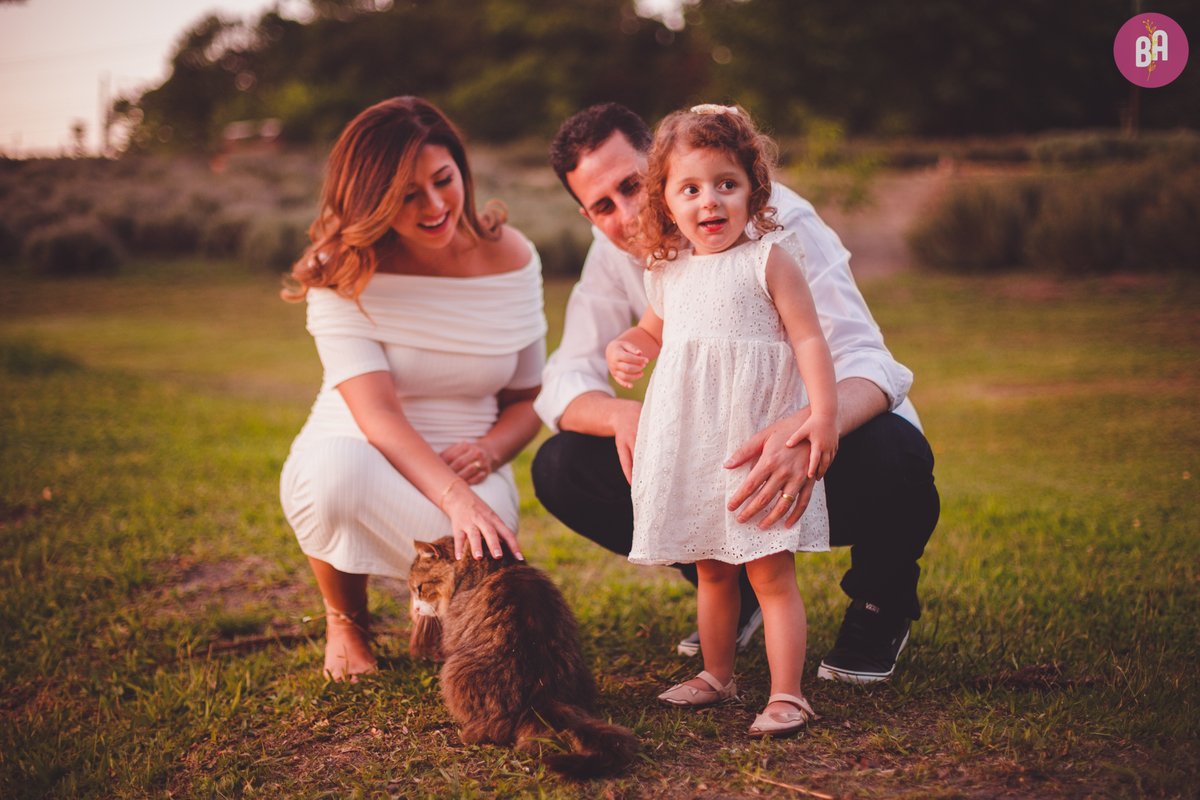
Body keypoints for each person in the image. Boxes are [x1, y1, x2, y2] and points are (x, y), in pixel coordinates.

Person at [532, 102, 939, 685]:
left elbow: (867, 360)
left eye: (630, 185)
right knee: (563, 462)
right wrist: (624, 415)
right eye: (603, 205)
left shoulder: (774, 228)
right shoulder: (634, 258)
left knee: (895, 450)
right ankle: (725, 584)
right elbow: (565, 376)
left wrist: (807, 428)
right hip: (715, 457)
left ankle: (879, 607)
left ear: (658, 166)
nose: (625, 214)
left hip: (824, 452)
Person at [279, 97, 546, 681]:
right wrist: (454, 499)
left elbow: (527, 400)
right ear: (371, 201)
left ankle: (431, 615)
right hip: (360, 443)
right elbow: (375, 414)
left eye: (442, 180)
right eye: (405, 194)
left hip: (469, 461)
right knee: (335, 479)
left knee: (480, 552)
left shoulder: (513, 256)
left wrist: (491, 452)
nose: (434, 206)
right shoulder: (341, 267)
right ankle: (346, 620)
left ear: (461, 172)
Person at [607, 104, 836, 736]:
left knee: (769, 570)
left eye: (725, 184)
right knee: (711, 566)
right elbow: (653, 333)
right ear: (667, 201)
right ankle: (717, 675)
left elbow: (811, 340)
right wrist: (626, 348)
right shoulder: (667, 270)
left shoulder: (769, 261)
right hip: (695, 445)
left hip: (752, 446)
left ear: (752, 190)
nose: (710, 201)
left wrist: (821, 416)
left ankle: (788, 693)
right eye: (691, 188)